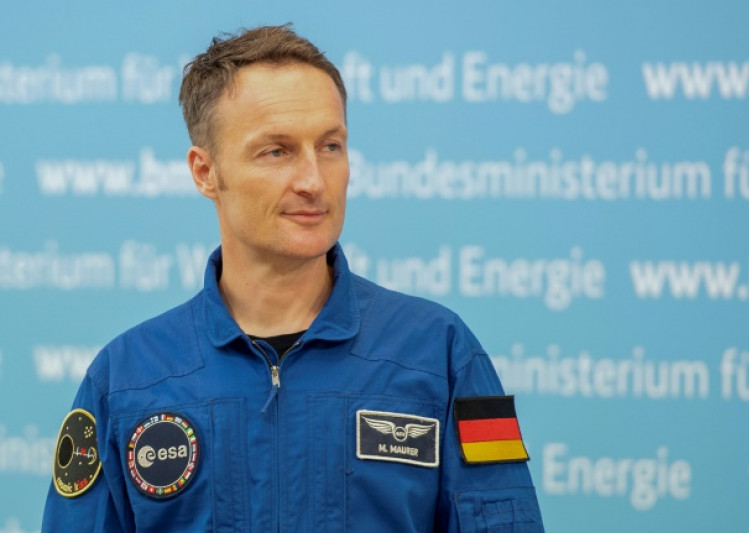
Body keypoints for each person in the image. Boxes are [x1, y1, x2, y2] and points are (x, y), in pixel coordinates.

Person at [42, 25, 544, 532]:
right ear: (205, 172)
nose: (313, 180)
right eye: (276, 151)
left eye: (330, 146)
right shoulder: (126, 378)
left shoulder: (442, 353)